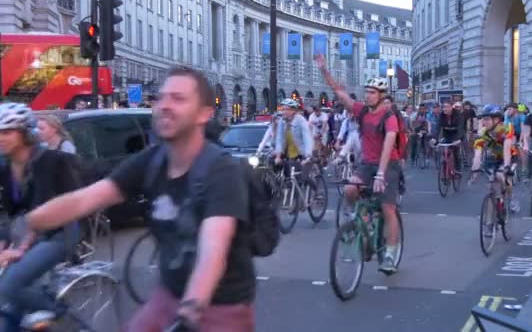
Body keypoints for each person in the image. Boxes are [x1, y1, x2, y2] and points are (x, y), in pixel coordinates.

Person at [25, 67, 255, 331]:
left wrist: (191, 310)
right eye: (162, 98)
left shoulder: (221, 170)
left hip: (220, 307)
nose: (165, 105)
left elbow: (214, 248)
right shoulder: (152, 160)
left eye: (178, 99)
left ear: (205, 113)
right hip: (169, 296)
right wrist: (31, 221)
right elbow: (87, 199)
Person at [316, 54, 402, 274]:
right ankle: (355, 219)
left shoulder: (389, 117)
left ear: (382, 96)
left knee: (388, 208)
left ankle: (391, 254)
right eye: (367, 92)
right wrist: (325, 71)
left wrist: (381, 175)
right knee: (350, 189)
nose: (368, 95)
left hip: (388, 165)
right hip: (367, 163)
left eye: (372, 92)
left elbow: (387, 146)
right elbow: (340, 93)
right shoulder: (362, 111)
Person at [0, 103, 82, 331]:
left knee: (9, 285)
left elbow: (63, 205)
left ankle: (57, 311)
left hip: (59, 232)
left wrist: (20, 248)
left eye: (6, 132)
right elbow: (11, 213)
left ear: (25, 133)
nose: (0, 138)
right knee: (9, 312)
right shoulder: (5, 168)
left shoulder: (53, 160)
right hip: (26, 233)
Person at [469, 104, 519, 212]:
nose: (484, 122)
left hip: (509, 156)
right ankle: (495, 209)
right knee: (491, 183)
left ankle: (511, 199)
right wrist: (474, 169)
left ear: (496, 119)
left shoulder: (506, 128)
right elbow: (477, 153)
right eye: (483, 119)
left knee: (502, 176)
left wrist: (506, 166)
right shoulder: (483, 132)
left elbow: (507, 148)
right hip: (494, 157)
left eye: (487, 119)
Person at [274, 99, 315, 187]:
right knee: (290, 179)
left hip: (302, 153)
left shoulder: (301, 120)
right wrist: (278, 155)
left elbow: (307, 138)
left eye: (286, 109)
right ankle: (294, 198)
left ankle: (317, 193)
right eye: (283, 109)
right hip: (289, 154)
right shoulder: (282, 121)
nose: (284, 112)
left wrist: (308, 155)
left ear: (293, 111)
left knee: (304, 178)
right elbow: (279, 138)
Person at [438, 102, 465, 173]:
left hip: (457, 135)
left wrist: (458, 139)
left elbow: (461, 128)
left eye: (447, 107)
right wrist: (434, 139)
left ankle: (457, 169)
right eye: (443, 107)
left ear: (451, 107)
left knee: (456, 151)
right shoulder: (442, 115)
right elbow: (438, 127)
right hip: (447, 135)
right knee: (445, 153)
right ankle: (445, 172)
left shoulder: (458, 115)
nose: (445, 109)